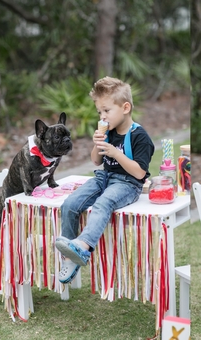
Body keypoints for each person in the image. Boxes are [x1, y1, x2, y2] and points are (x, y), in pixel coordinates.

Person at [55, 76, 155, 284]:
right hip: (104, 178)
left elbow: (139, 173)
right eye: (100, 112)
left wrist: (116, 153)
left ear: (125, 107)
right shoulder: (108, 132)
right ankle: (70, 255)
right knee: (70, 204)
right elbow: (95, 160)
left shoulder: (140, 136)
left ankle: (83, 247)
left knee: (103, 204)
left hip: (128, 184)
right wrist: (97, 144)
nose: (102, 116)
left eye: (107, 111)